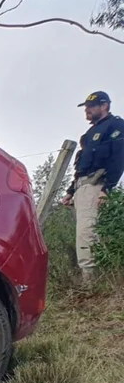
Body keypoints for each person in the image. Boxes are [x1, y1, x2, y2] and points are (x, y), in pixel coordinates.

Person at [63, 91, 124, 280]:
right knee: (88, 233)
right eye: (86, 107)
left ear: (104, 105)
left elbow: (118, 159)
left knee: (86, 234)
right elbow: (82, 166)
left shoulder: (116, 126)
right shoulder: (89, 134)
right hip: (82, 188)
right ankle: (104, 280)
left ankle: (90, 285)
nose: (87, 110)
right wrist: (70, 191)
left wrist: (107, 189)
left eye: (92, 106)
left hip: (96, 185)